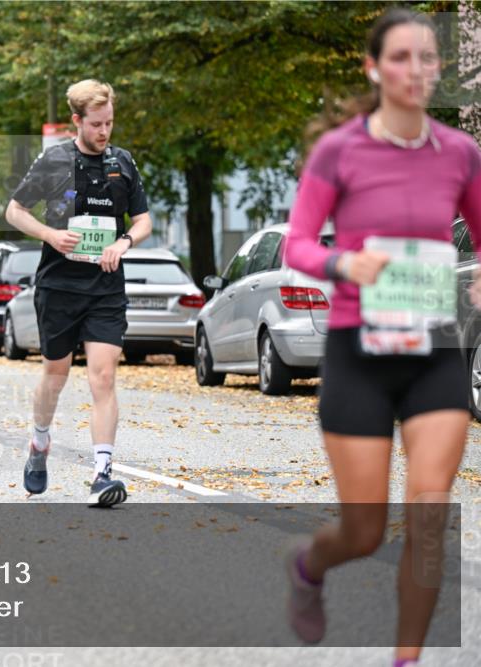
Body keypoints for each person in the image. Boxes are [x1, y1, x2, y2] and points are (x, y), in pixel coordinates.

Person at [283, 9, 481, 665]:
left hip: (435, 351)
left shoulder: (461, 153)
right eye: (401, 57)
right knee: (365, 530)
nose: (417, 70)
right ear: (374, 68)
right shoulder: (339, 150)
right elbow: (299, 244)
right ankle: (310, 567)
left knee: (430, 516)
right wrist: (345, 263)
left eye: (429, 58)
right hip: (358, 349)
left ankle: (407, 658)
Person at [5, 79, 153, 508]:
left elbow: (142, 219)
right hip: (58, 286)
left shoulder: (122, 163)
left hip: (105, 289)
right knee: (56, 373)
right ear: (76, 121)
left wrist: (124, 242)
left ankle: (102, 473)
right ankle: (39, 442)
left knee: (104, 376)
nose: (104, 131)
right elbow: (14, 210)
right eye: (96, 124)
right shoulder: (54, 161)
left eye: (109, 123)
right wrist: (50, 234)